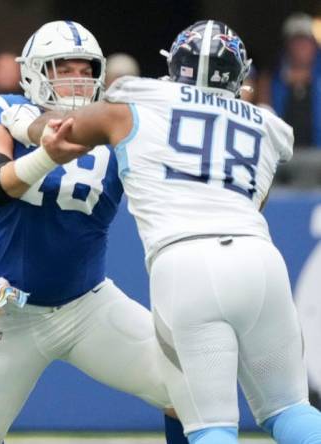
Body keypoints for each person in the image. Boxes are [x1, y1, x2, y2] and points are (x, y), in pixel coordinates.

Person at [43, 20, 321, 443]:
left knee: (212, 425)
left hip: (186, 264)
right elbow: (254, 200)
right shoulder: (265, 125)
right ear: (239, 74)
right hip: (258, 259)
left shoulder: (135, 102)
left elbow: (60, 137)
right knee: (291, 411)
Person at [0, 20, 187, 444]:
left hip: (88, 306)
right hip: (11, 310)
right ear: (35, 72)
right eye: (64, 68)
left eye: (85, 70)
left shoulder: (117, 130)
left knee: (186, 389)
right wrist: (46, 156)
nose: (77, 81)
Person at [268, 12, 321, 148]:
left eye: (306, 41)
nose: (301, 47)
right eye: (296, 41)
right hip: (281, 156)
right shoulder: (272, 78)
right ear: (287, 45)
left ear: (314, 45)